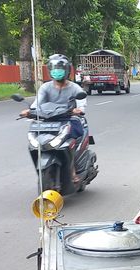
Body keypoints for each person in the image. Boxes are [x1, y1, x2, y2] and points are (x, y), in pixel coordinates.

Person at [20, 54, 87, 182]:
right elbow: (37, 104)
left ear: (67, 70)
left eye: (60, 68)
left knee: (70, 140)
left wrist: (78, 110)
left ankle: (72, 169)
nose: (57, 71)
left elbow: (82, 104)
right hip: (49, 121)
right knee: (36, 138)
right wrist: (29, 111)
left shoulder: (75, 88)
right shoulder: (45, 87)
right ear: (50, 70)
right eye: (54, 68)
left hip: (70, 120)